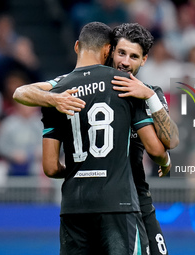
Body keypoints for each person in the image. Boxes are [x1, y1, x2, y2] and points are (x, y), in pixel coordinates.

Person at [13, 22, 178, 255]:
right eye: (121, 53)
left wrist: (150, 96)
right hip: (120, 202)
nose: (125, 61)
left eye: (133, 56)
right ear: (109, 51)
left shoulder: (144, 92)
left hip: (127, 200)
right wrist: (164, 160)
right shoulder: (120, 92)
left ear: (144, 60)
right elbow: (161, 149)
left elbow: (171, 140)